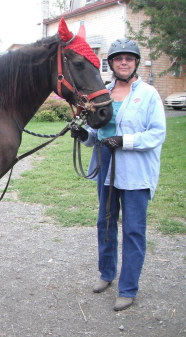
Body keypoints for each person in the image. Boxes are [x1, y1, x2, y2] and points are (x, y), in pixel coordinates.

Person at [71, 39, 166, 311]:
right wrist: (84, 135)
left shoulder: (148, 94)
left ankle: (128, 287)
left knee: (134, 230)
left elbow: (157, 133)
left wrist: (125, 140)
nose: (123, 62)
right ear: (111, 63)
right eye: (118, 58)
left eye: (129, 58)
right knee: (105, 222)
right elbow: (100, 131)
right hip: (106, 165)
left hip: (135, 172)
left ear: (136, 62)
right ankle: (106, 274)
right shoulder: (104, 93)